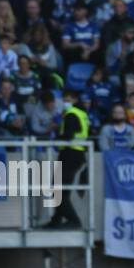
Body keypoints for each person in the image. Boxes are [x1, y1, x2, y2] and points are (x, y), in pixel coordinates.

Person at [47, 88, 87, 228]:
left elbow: (68, 136)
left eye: (68, 100)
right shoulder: (80, 113)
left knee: (57, 189)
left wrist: (55, 136)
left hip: (71, 154)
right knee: (60, 189)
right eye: (64, 99)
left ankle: (74, 221)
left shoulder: (71, 114)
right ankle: (56, 220)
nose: (65, 102)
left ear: (75, 100)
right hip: (75, 154)